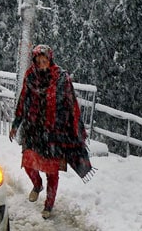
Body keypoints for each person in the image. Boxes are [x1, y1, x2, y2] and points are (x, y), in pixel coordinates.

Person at [9, 44, 92, 219]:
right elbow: (23, 100)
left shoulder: (61, 78)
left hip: (55, 131)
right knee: (29, 163)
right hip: (33, 130)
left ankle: (49, 205)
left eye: (44, 60)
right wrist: (17, 124)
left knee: (51, 170)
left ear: (50, 59)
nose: (41, 64)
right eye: (38, 61)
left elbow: (71, 104)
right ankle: (37, 185)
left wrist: (76, 128)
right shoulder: (30, 77)